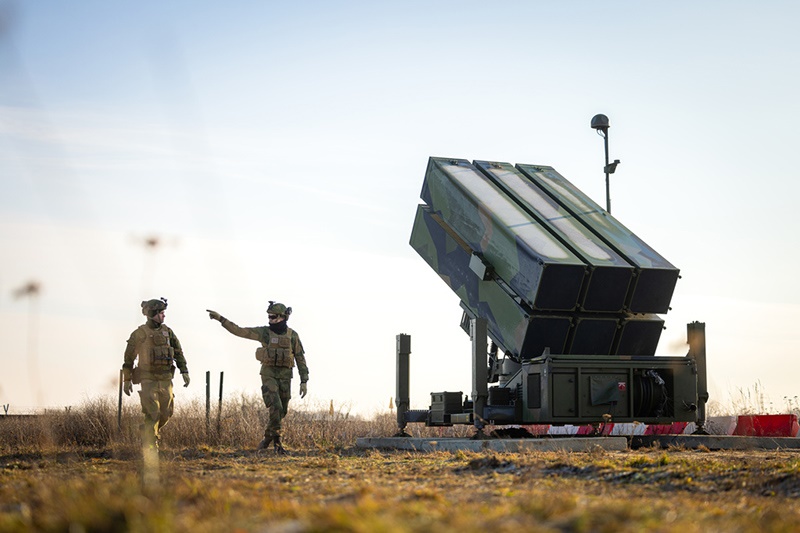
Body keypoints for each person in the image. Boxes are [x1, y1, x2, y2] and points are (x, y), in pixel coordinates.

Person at [206, 301, 308, 454]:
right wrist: (221, 319)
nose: (270, 319)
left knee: (282, 411)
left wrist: (304, 380)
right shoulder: (264, 333)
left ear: (282, 317)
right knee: (276, 407)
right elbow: (239, 331)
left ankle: (267, 438)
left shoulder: (293, 335)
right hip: (269, 375)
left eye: (273, 317)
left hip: (286, 376)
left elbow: (300, 358)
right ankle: (278, 444)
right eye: (269, 316)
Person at [122, 298, 190, 449]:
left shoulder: (168, 332)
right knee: (152, 413)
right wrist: (126, 380)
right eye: (161, 313)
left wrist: (184, 370)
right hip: (148, 379)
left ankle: (148, 431)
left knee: (166, 413)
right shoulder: (139, 334)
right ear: (153, 314)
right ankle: (151, 444)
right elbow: (128, 358)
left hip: (166, 379)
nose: (164, 316)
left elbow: (178, 352)